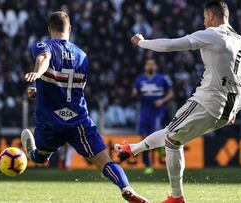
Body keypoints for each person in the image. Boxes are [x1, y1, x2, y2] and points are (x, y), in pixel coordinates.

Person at [115, 1, 241, 202]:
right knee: (174, 132)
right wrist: (234, 109)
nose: (204, 21)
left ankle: (177, 198)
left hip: (206, 101)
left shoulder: (212, 34)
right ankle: (133, 149)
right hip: (225, 113)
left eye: (204, 18)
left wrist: (143, 42)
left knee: (173, 141)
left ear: (210, 16)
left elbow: (172, 44)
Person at [21, 11, 149, 203]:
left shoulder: (43, 45)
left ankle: (32, 153)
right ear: (70, 29)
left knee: (40, 157)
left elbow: (44, 58)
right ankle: (126, 187)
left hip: (51, 120)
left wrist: (37, 74)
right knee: (105, 161)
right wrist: (41, 90)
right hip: (78, 120)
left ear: (49, 29)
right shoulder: (82, 55)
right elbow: (75, 88)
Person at [133, 58, 173, 174]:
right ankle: (148, 165)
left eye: (152, 64)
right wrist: (134, 93)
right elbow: (134, 92)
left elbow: (171, 93)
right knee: (144, 137)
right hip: (145, 111)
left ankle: (161, 150)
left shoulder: (162, 79)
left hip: (157, 112)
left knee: (155, 135)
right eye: (148, 64)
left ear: (155, 67)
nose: (150, 66)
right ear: (145, 67)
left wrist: (162, 101)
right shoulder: (139, 79)